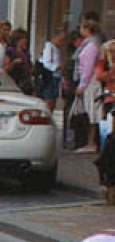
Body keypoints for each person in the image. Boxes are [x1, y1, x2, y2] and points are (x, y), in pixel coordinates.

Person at [74, 20, 103, 152]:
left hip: (90, 82)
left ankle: (91, 142)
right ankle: (90, 142)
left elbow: (88, 68)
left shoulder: (91, 47)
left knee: (92, 111)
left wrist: (82, 85)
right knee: (90, 110)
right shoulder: (91, 44)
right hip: (89, 81)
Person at [35, 27, 67, 112]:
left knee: (53, 98)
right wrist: (57, 67)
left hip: (56, 76)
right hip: (50, 77)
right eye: (61, 39)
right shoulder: (49, 47)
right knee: (49, 98)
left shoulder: (57, 48)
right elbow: (47, 63)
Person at [4, 28, 32, 93]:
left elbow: (29, 70)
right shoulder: (10, 51)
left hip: (26, 86)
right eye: (23, 39)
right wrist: (13, 63)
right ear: (17, 40)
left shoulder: (26, 53)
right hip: (14, 84)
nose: (25, 40)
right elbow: (5, 69)